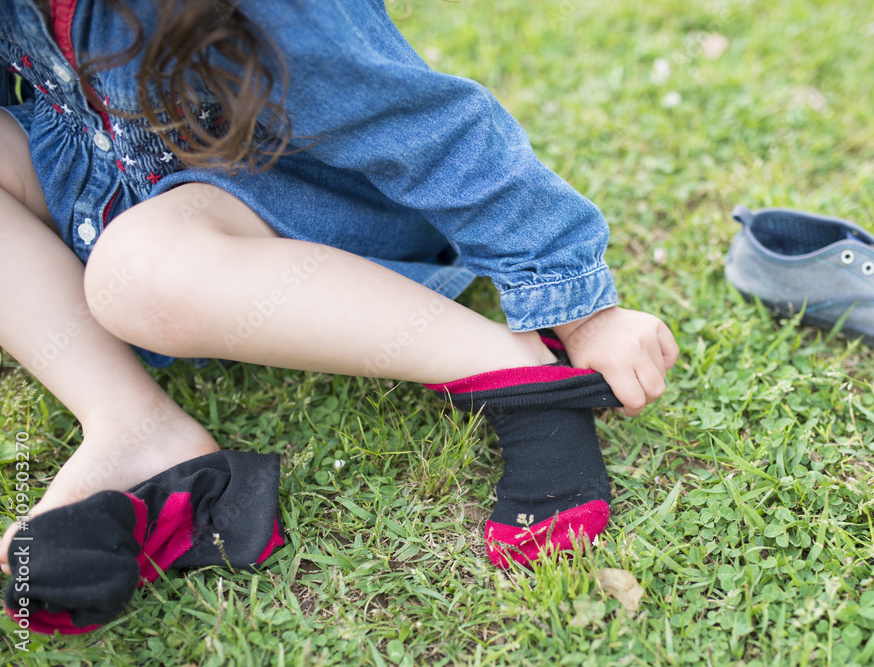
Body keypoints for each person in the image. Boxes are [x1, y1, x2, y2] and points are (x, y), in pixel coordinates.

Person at [0, 0, 677, 590]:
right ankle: (131, 423)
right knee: (129, 260)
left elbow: (414, 119)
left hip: (294, 192)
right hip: (106, 180)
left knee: (136, 275)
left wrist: (578, 301)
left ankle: (514, 367)